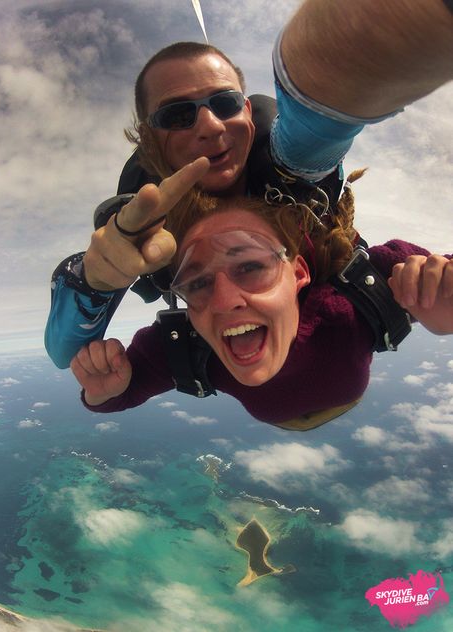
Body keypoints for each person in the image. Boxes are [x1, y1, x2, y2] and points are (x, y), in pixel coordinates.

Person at [45, 0, 453, 370]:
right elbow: (64, 354)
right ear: (149, 137)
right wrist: (94, 280)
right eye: (177, 115)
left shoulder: (286, 164)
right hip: (251, 347)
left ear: (246, 111)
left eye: (224, 104)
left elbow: (320, 117)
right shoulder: (144, 228)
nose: (210, 126)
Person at [69, 171, 453, 430]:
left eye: (250, 267)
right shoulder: (182, 347)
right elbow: (119, 392)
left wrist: (443, 293)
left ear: (299, 273)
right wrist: (104, 391)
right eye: (198, 283)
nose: (222, 301)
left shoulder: (367, 288)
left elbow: (443, 272)